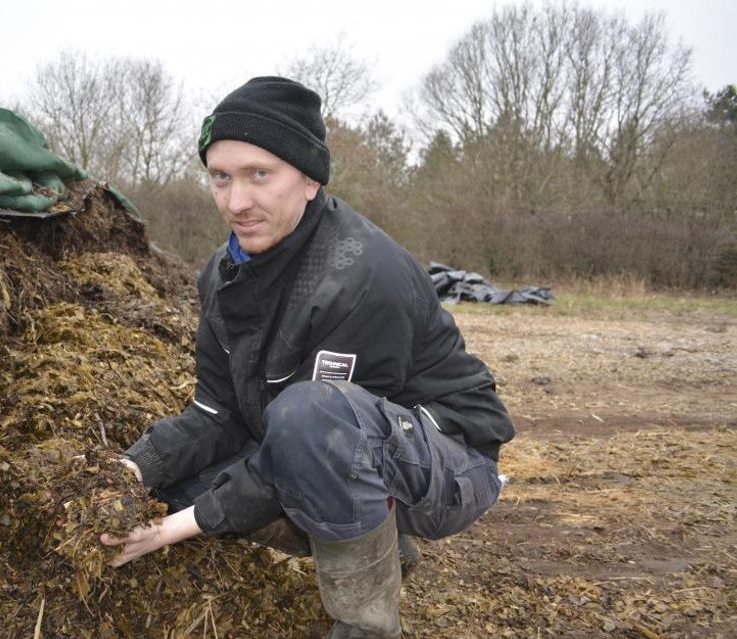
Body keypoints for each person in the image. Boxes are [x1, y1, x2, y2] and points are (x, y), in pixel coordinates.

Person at [100, 76, 515, 638]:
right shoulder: (221, 276)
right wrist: (130, 470)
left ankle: (367, 624)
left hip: (447, 460)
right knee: (175, 488)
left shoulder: (363, 274)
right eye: (220, 177)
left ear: (310, 179)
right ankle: (377, 540)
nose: (236, 202)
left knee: (305, 423)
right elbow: (214, 414)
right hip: (325, 443)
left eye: (260, 175)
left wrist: (170, 531)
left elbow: (315, 435)